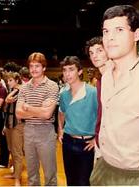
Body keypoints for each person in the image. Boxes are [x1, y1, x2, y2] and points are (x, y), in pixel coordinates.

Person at [90, 5, 139, 185]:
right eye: (106, 31)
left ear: (137, 35)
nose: (110, 38)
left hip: (137, 177)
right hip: (103, 169)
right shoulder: (106, 74)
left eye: (119, 30)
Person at [16, 52, 58, 186]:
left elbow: (47, 115)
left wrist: (27, 107)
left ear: (44, 68)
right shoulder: (24, 88)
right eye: (31, 66)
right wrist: (40, 109)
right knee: (32, 174)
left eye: (37, 66)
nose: (33, 69)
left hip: (45, 132)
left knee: (49, 174)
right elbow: (18, 113)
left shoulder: (52, 86)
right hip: (28, 131)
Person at [58, 56, 97, 186]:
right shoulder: (63, 94)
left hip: (86, 144)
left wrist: (96, 139)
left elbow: (104, 117)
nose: (67, 74)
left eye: (71, 69)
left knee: (84, 182)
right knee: (71, 181)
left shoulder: (92, 92)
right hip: (68, 142)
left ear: (80, 71)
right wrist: (60, 130)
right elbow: (61, 113)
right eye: (64, 70)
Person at [85, 36, 108, 158]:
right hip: (101, 140)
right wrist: (96, 136)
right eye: (91, 53)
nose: (95, 56)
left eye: (99, 50)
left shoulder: (116, 78)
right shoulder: (99, 80)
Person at [3, 72, 24, 186]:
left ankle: (18, 179)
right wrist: (4, 126)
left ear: (17, 80)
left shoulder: (21, 90)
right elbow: (6, 109)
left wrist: (7, 99)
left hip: (18, 124)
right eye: (7, 81)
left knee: (17, 152)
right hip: (9, 123)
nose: (8, 82)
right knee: (11, 149)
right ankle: (15, 173)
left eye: (10, 80)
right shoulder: (11, 91)